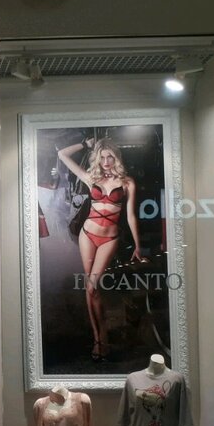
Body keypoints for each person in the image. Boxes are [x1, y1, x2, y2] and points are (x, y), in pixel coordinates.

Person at [57, 137, 142, 362]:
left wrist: (138, 245)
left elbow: (131, 216)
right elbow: (62, 154)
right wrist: (85, 144)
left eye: (109, 156)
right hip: (87, 234)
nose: (105, 161)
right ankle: (98, 339)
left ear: (116, 157)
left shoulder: (127, 183)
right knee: (91, 288)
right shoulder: (91, 178)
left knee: (92, 286)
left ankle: (102, 336)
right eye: (102, 157)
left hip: (109, 238)